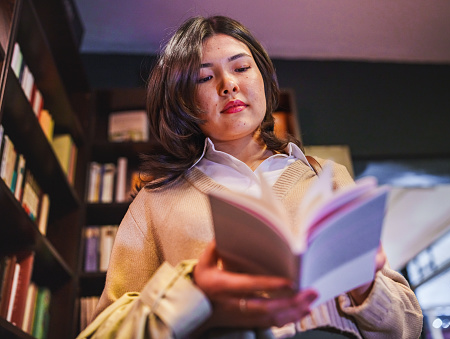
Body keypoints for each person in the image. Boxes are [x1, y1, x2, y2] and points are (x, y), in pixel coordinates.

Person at [78, 15, 423, 339]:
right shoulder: (155, 200)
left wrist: (366, 286)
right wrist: (193, 289)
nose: (228, 85)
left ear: (265, 78)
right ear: (181, 100)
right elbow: (106, 329)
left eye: (241, 68)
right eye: (204, 77)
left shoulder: (325, 177)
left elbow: (408, 326)